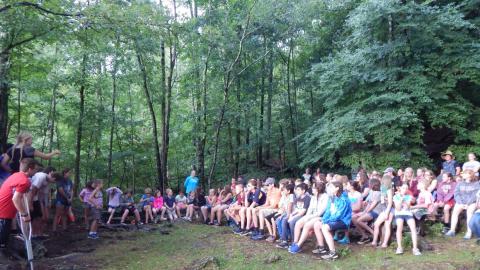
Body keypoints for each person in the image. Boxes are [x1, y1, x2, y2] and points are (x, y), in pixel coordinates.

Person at [0, 158, 37, 252]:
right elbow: (15, 198)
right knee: (2, 242)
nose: (36, 172)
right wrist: (24, 214)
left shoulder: (16, 175)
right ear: (29, 169)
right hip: (3, 213)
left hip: (4, 211)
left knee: (4, 239)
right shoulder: (25, 181)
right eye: (35, 169)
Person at [315, 181, 352, 260]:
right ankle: (322, 248)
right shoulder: (332, 198)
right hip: (334, 219)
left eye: (331, 187)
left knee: (325, 227)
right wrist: (324, 220)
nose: (329, 189)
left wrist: (327, 221)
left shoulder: (344, 199)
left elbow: (339, 215)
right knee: (317, 225)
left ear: (337, 188)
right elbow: (328, 211)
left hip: (343, 221)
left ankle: (333, 253)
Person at [288, 181, 328, 253]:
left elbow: (321, 212)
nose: (312, 189)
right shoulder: (313, 197)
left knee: (307, 225)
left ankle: (299, 245)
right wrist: (306, 217)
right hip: (313, 216)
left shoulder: (325, 197)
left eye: (313, 188)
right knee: (298, 223)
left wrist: (309, 217)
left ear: (318, 189)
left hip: (322, 217)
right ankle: (295, 242)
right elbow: (310, 209)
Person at [445, 169, 480, 238]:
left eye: (464, 173)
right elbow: (456, 193)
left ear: (469, 175)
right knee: (455, 212)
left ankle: (469, 232)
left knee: (469, 213)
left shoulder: (476, 183)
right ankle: (452, 230)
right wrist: (461, 203)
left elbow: (475, 195)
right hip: (460, 202)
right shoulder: (460, 183)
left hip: (471, 202)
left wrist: (467, 204)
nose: (462, 175)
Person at [277, 183, 311, 248]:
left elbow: (303, 212)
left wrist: (293, 217)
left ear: (303, 191)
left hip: (303, 216)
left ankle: (294, 241)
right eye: (296, 190)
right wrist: (291, 215)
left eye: (298, 190)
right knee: (284, 220)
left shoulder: (307, 198)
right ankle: (285, 240)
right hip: (297, 214)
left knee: (292, 222)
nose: (296, 191)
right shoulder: (298, 198)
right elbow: (296, 209)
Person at [30, 166, 59, 237]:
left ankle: (39, 233)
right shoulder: (41, 177)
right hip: (31, 198)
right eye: (54, 181)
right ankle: (34, 233)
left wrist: (47, 204)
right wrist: (30, 203)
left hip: (38, 199)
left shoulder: (47, 181)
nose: (53, 183)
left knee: (43, 217)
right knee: (37, 217)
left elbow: (44, 194)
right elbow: (33, 190)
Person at [393, 183, 422, 256]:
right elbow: (398, 208)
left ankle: (415, 248)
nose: (405, 190)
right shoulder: (396, 196)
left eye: (406, 188)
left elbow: (408, 207)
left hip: (408, 213)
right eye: (403, 188)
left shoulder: (409, 196)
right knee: (399, 227)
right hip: (399, 214)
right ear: (400, 188)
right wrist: (401, 199)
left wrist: (405, 200)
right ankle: (399, 247)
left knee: (413, 228)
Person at [352, 178, 381, 244]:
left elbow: (373, 205)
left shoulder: (378, 193)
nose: (368, 185)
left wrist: (365, 212)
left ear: (373, 184)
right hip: (370, 211)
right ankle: (365, 236)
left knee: (359, 220)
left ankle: (373, 233)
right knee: (353, 218)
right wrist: (364, 210)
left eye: (369, 183)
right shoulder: (372, 192)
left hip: (376, 212)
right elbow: (369, 203)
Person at [371, 175, 394, 248]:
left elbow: (390, 202)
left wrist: (387, 212)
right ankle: (374, 241)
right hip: (384, 209)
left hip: (389, 210)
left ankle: (385, 243)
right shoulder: (383, 189)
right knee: (376, 224)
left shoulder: (389, 189)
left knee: (387, 226)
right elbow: (382, 200)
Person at [52, 168, 74, 232]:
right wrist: (67, 198)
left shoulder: (69, 180)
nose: (70, 174)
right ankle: (54, 229)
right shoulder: (60, 180)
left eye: (70, 173)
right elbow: (60, 190)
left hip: (68, 200)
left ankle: (64, 228)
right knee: (58, 214)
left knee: (65, 214)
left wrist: (71, 198)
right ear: (65, 173)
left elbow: (72, 190)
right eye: (69, 172)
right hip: (60, 200)